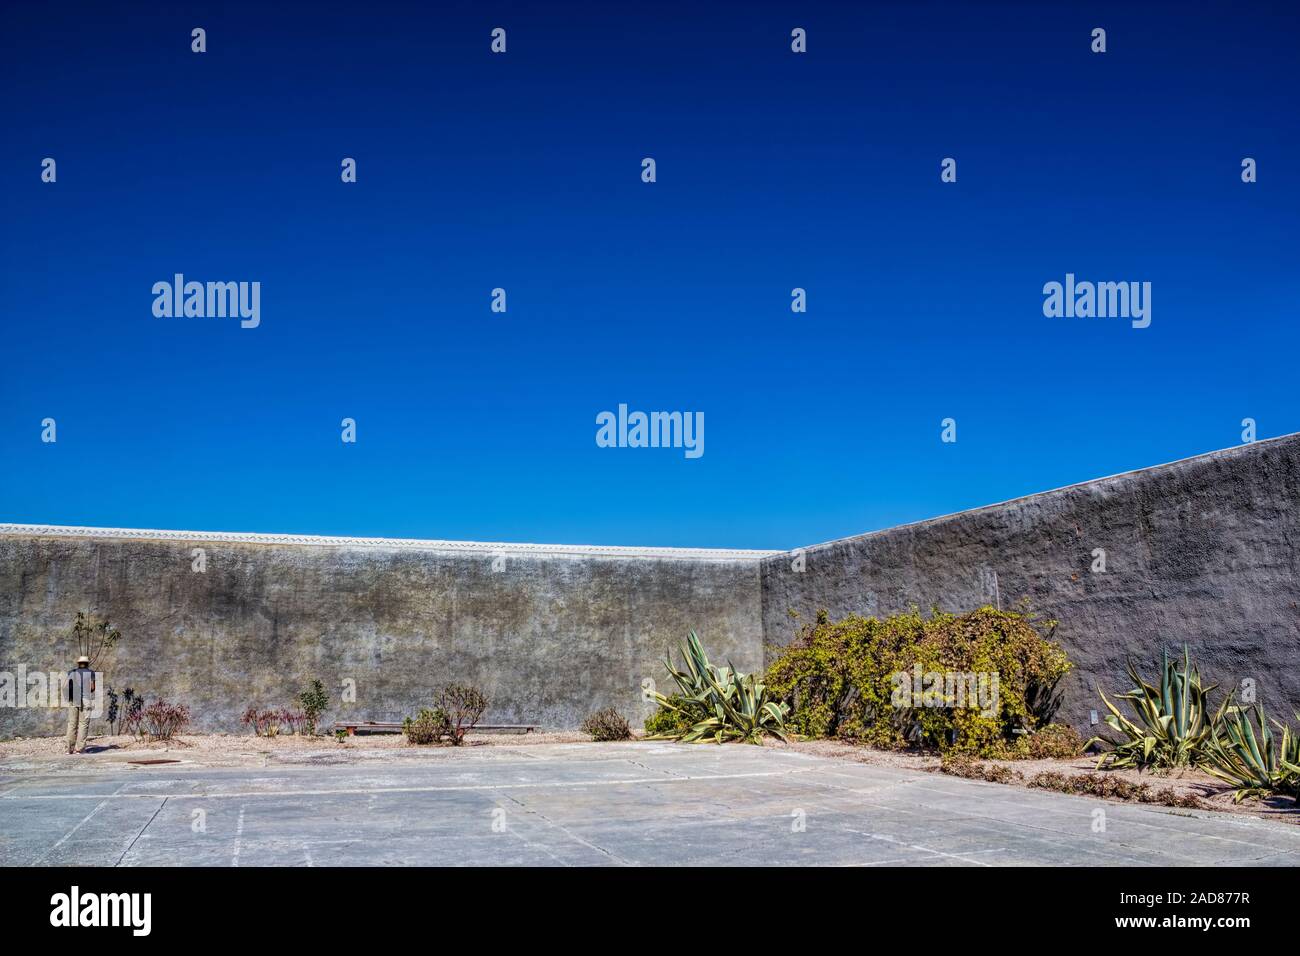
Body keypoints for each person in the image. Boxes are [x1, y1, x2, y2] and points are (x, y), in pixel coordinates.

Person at [65, 655, 96, 754]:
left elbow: (66, 687)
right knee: (83, 724)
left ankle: (69, 749)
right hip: (85, 699)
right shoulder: (91, 673)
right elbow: (92, 688)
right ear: (87, 663)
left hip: (73, 699)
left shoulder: (71, 672)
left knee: (72, 724)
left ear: (78, 663)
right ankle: (80, 749)